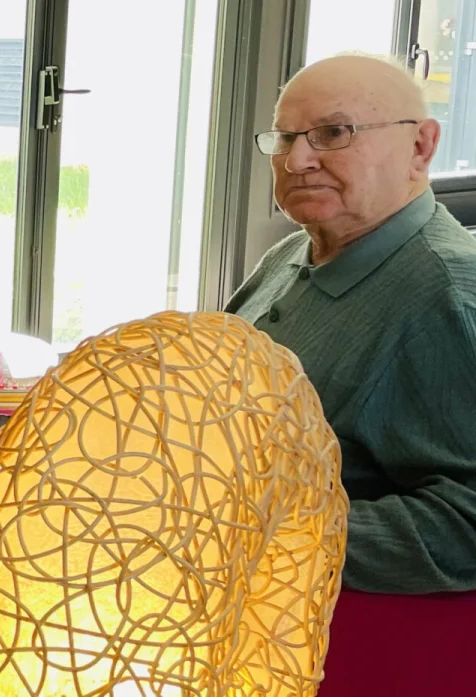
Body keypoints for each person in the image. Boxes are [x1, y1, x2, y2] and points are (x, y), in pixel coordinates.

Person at [225, 55, 476, 692]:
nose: (297, 159)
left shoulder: (446, 297)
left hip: (346, 654)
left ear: (421, 146)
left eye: (334, 133)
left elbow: (467, 524)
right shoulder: (296, 250)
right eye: (285, 138)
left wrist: (265, 530)